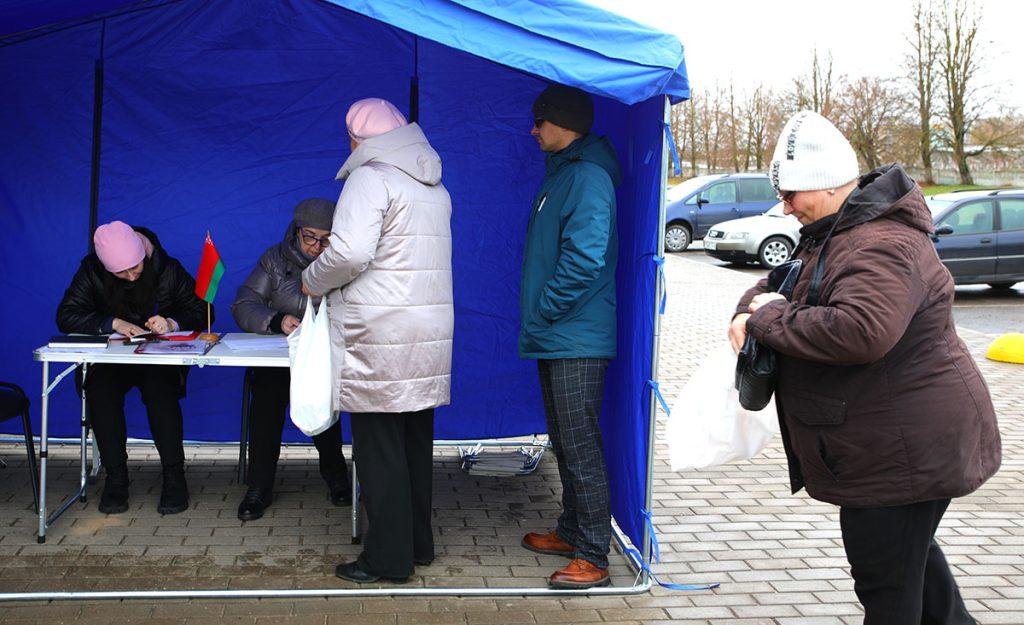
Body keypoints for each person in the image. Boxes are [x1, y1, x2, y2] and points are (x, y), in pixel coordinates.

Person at [729, 110, 1001, 625]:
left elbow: (861, 330)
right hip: (893, 443)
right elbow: (782, 285)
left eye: (790, 195)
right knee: (918, 576)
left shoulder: (878, 243)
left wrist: (766, 321)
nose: (784, 209)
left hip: (901, 451)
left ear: (826, 185)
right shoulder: (838, 230)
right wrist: (752, 308)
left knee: (888, 588)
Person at [302, 98, 453, 584]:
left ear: (358, 139)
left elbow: (349, 253)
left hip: (378, 334)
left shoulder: (371, 177)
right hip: (424, 333)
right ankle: (416, 545)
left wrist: (312, 279)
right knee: (412, 444)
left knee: (377, 450)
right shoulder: (432, 182)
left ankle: (387, 559)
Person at [517, 84, 622, 589]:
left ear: (564, 123)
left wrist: (546, 310)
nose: (533, 130)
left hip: (575, 335)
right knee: (565, 440)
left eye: (540, 121)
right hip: (560, 333)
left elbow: (585, 259)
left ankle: (593, 556)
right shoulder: (564, 174)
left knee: (580, 445)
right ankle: (570, 530)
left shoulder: (587, 177)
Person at [56, 221, 209, 514]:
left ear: (143, 252)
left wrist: (171, 322)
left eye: (135, 269)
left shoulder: (167, 268)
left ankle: (174, 476)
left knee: (160, 393)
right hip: (115, 358)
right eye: (120, 273)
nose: (130, 276)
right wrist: (112, 323)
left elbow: (202, 309)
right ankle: (116, 477)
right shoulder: (91, 270)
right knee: (100, 391)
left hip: (157, 357)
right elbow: (66, 315)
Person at [231, 198, 352, 521]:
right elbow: (244, 303)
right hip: (280, 359)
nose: (316, 246)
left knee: (324, 409)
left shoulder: (345, 264)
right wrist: (276, 320)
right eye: (309, 236)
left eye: (326, 239)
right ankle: (259, 487)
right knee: (266, 409)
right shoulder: (274, 259)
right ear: (296, 232)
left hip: (322, 359)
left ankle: (337, 477)